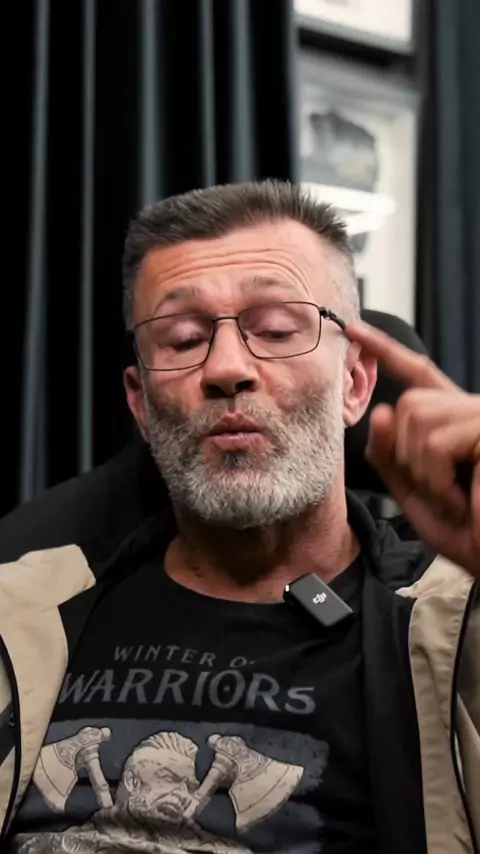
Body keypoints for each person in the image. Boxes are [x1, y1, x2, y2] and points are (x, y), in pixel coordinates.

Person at [0, 180, 478, 854]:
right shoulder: (20, 613)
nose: (227, 368)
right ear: (140, 403)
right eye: (183, 338)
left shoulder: (454, 627)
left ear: (355, 383)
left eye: (276, 331)